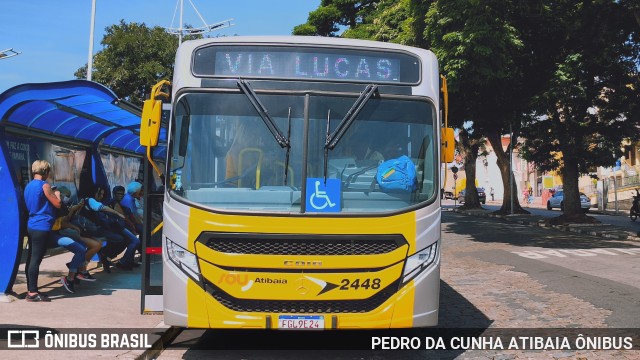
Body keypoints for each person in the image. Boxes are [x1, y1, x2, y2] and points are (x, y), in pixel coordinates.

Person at [24, 160, 87, 300]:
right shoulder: (44, 185)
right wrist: (57, 192)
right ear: (46, 172)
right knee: (35, 260)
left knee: (32, 259)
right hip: (42, 227)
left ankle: (32, 290)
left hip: (35, 226)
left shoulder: (29, 186)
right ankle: (32, 293)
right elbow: (58, 204)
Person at [84, 185, 140, 270]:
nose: (120, 196)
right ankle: (122, 261)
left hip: (115, 227)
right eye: (118, 194)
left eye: (122, 194)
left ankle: (126, 260)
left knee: (128, 240)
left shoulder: (117, 202)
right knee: (134, 240)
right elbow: (122, 216)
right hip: (115, 227)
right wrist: (132, 225)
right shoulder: (109, 202)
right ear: (114, 194)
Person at [53, 186, 102, 282]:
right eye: (66, 196)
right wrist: (72, 214)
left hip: (76, 231)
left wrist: (77, 209)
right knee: (93, 245)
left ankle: (80, 269)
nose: (68, 198)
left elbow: (70, 218)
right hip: (66, 232)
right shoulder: (58, 206)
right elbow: (63, 222)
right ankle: (80, 270)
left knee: (98, 243)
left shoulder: (66, 205)